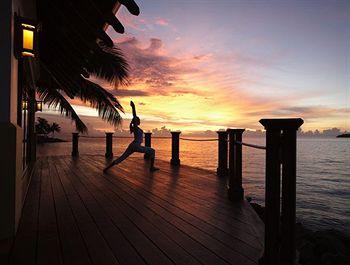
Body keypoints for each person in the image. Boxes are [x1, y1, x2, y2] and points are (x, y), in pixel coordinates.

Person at [103, 101, 159, 173]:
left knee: (121, 158)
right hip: (136, 145)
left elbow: (134, 119)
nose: (139, 121)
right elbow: (134, 116)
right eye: (138, 120)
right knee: (152, 151)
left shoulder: (136, 128)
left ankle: (106, 169)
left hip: (133, 145)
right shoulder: (135, 128)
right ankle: (151, 168)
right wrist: (133, 107)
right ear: (136, 121)